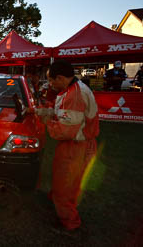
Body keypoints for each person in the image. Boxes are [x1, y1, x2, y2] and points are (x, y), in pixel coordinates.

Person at [35, 59, 100, 232]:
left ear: (61, 78)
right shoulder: (71, 89)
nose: (50, 84)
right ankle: (56, 202)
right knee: (61, 179)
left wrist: (47, 121)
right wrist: (40, 111)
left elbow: (64, 132)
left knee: (66, 185)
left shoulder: (74, 96)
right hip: (74, 144)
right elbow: (60, 113)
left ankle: (69, 223)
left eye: (51, 80)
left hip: (75, 145)